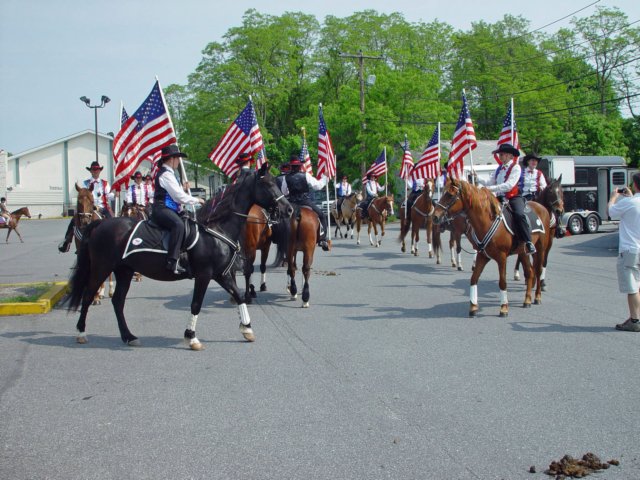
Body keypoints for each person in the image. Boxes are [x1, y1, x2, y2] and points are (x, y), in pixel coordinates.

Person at [152, 144, 205, 274]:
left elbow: (177, 193)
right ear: (171, 159)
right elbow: (178, 197)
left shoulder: (171, 174)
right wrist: (198, 200)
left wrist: (185, 189)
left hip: (171, 208)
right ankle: (173, 261)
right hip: (161, 208)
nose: (178, 162)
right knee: (178, 225)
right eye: (178, 158)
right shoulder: (166, 174)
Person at [475, 143, 536, 254]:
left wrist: (488, 188)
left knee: (519, 214)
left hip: (513, 197)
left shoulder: (516, 168)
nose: (500, 156)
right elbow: (490, 181)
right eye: (499, 154)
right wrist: (477, 178)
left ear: (509, 155)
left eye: (501, 154)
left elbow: (509, 185)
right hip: (499, 197)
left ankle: (528, 241)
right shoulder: (499, 168)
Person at [58, 160, 114, 253]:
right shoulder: (85, 183)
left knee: (112, 220)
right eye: (93, 170)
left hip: (102, 207)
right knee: (73, 220)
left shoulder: (105, 183)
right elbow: (82, 194)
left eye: (97, 170)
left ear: (100, 171)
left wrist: (113, 194)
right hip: (88, 207)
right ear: (91, 171)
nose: (95, 171)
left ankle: (113, 244)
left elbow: (109, 195)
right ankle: (67, 241)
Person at [608, 172, 640, 332]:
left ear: (635, 185)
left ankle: (635, 320)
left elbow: (611, 212)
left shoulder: (631, 202)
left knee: (632, 287)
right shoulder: (632, 201)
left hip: (630, 249)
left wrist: (613, 198)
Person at [280, 155, 330, 251]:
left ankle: (281, 238)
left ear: (291, 166)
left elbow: (284, 192)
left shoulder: (285, 178)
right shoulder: (306, 175)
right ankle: (322, 239)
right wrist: (324, 177)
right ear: (300, 166)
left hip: (292, 203)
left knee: (282, 219)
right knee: (322, 215)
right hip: (305, 201)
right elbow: (318, 186)